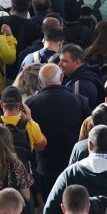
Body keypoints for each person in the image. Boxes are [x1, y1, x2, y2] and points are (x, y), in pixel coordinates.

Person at [26, 64, 90, 202]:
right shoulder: (79, 100)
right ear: (61, 77)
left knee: (51, 204)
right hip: (73, 163)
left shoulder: (31, 104)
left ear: (39, 80)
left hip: (45, 165)